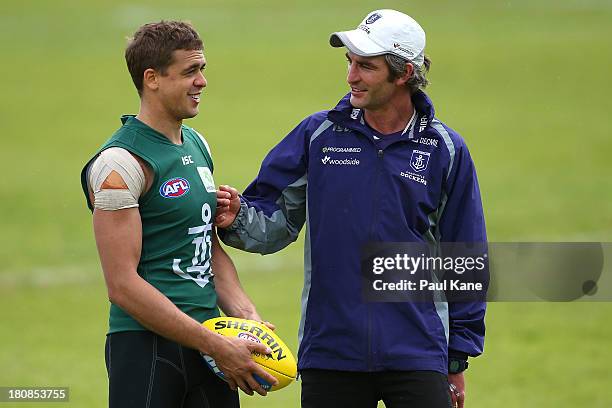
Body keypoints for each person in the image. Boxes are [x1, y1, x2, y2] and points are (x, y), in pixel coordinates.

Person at [215, 9, 486, 408]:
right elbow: (274, 223)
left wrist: (457, 356)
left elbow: (464, 256)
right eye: (350, 63)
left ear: (403, 73)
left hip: (418, 352)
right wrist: (237, 216)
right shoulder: (317, 135)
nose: (351, 77)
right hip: (331, 352)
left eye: (366, 66)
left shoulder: (445, 150)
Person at [80, 21, 277, 408]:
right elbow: (121, 285)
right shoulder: (120, 164)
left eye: (202, 69)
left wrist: (246, 316)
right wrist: (216, 344)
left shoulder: (197, 144)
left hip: (209, 347)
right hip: (147, 350)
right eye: (190, 71)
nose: (202, 81)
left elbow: (206, 245)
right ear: (151, 78)